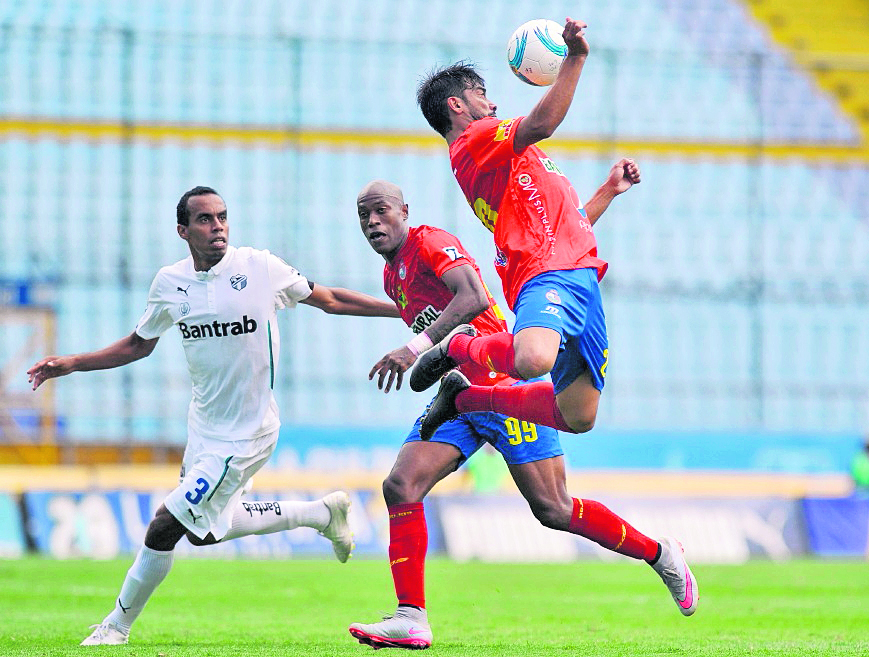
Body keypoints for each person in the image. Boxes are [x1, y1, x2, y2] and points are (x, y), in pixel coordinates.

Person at [27, 186, 400, 646]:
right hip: (203, 429)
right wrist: (72, 363)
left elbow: (330, 299)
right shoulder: (170, 282)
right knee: (204, 533)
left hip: (249, 433)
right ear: (183, 230)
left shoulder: (260, 268)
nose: (218, 226)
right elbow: (139, 344)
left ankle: (115, 627)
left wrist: (404, 311)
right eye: (205, 219)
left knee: (166, 522)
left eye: (222, 217)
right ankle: (320, 513)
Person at [346, 181, 697, 651]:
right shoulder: (393, 276)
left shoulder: (429, 241)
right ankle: (412, 616)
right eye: (364, 216)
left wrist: (413, 349)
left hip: (499, 383)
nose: (373, 223)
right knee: (400, 486)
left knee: (553, 509)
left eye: (381, 211)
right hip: (456, 392)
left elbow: (471, 297)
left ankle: (659, 553)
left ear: (404, 211)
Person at [410, 18, 633, 449]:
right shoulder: (473, 140)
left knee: (578, 416)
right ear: (457, 105)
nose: (492, 104)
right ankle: (461, 346)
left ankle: (466, 401)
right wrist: (576, 57)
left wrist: (609, 190)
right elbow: (542, 123)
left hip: (580, 275)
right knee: (532, 358)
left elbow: (571, 228)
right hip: (542, 273)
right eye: (482, 94)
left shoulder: (520, 164)